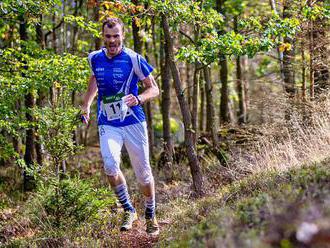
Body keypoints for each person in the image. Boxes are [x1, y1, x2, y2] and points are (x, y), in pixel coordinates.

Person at [81, 17, 160, 236]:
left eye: (116, 36)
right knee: (110, 166)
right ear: (103, 37)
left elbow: (154, 89)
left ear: (122, 35)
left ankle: (150, 214)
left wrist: (139, 98)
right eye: (108, 37)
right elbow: (94, 81)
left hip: (133, 121)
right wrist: (86, 105)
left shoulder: (134, 58)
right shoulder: (94, 58)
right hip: (108, 122)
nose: (112, 40)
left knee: (144, 174)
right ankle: (129, 209)